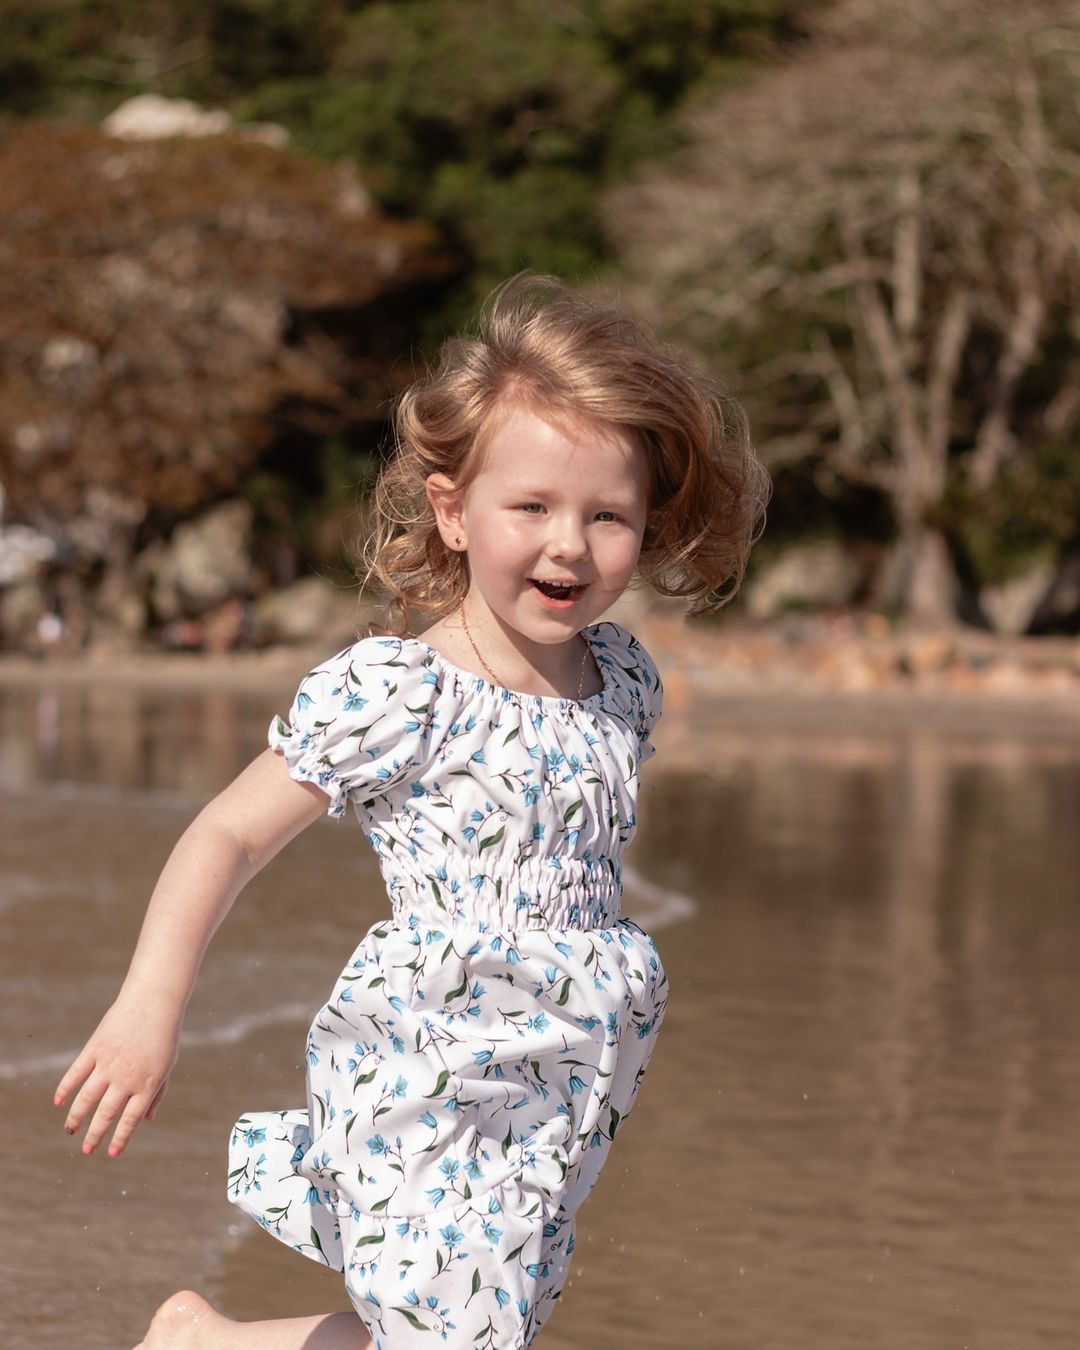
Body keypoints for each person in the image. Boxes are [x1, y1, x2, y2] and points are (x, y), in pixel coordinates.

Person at [54, 274, 769, 1349]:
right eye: (530, 507)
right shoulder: (402, 692)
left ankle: (206, 1344)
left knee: (466, 1334)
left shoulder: (623, 677)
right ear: (453, 510)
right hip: (424, 1062)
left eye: (606, 515)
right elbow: (228, 833)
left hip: (561, 1080)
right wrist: (150, 1008)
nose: (568, 544)